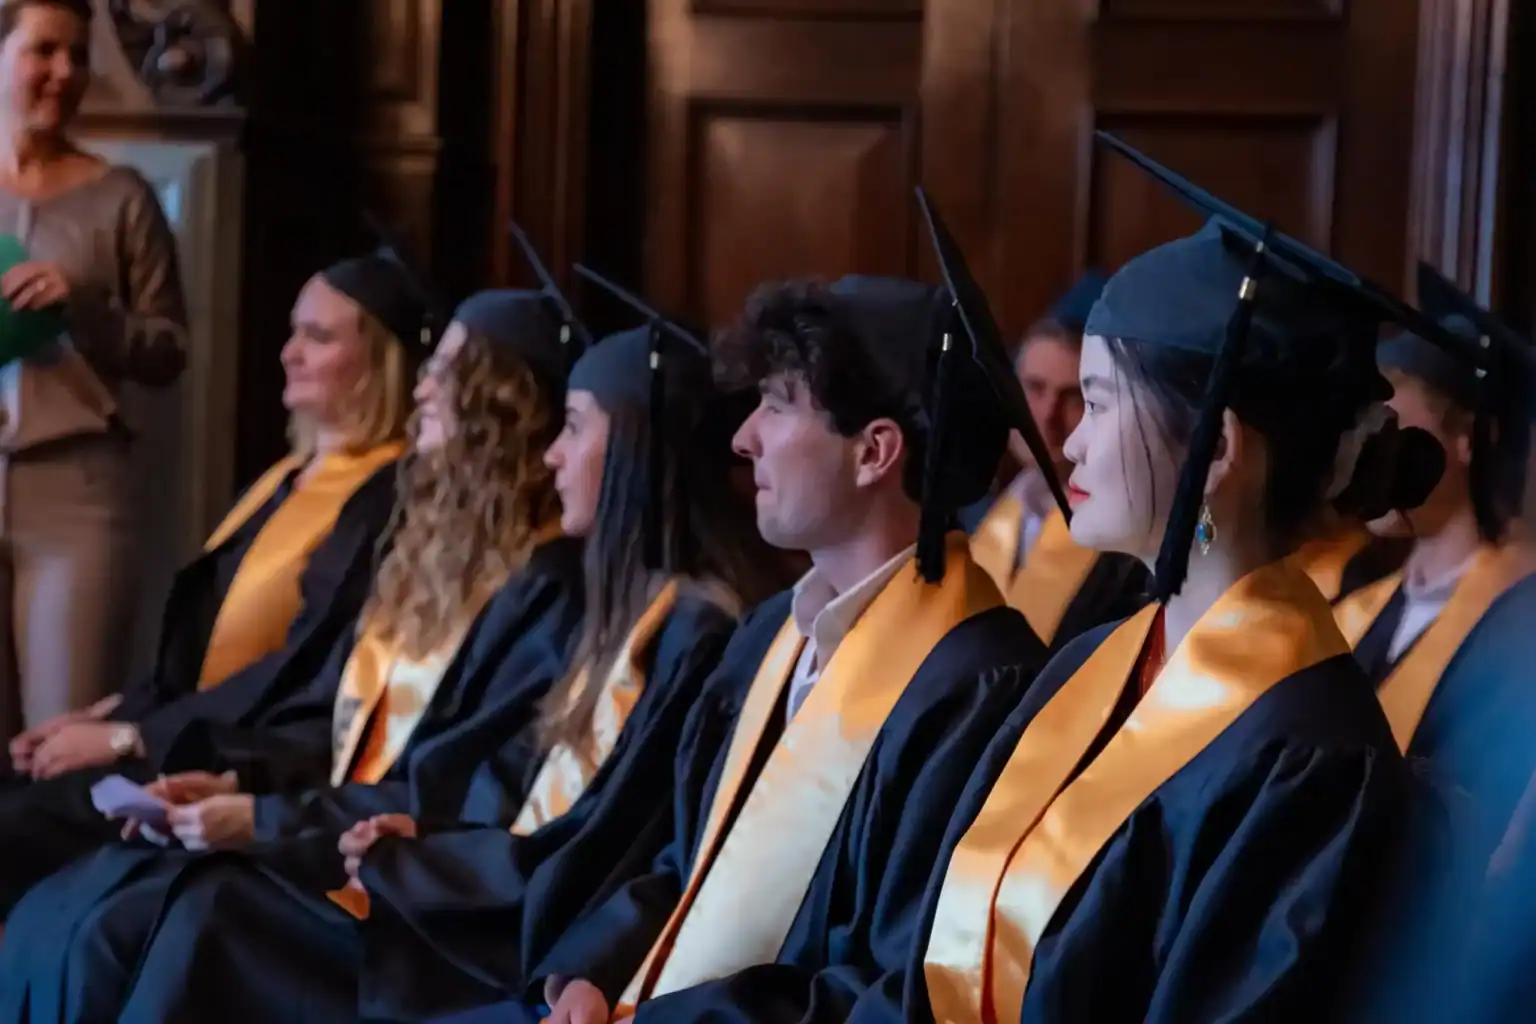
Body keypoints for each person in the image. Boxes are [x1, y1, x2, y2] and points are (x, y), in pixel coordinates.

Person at [77, 275, 788, 1023]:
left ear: (636, 454)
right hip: (475, 890)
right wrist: (420, 833)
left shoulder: (696, 636)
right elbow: (511, 783)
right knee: (161, 900)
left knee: (209, 913)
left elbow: (610, 846)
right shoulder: (629, 610)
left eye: (574, 428)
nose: (552, 455)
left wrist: (422, 855)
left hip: (506, 938)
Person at [898, 136, 1436, 1023]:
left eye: (1100, 403)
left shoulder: (1312, 760)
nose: (1067, 439)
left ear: (1217, 450)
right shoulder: (1092, 664)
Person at [0, 286, 590, 1018]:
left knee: (155, 914)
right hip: (325, 825)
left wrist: (262, 817)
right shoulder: (437, 559)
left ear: (506, 404)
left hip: (402, 883)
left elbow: (451, 790)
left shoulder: (550, 588)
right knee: (83, 899)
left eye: (450, 370)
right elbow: (327, 719)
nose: (426, 387)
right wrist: (232, 792)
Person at [515, 262, 1050, 1024]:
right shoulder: (769, 633)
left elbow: (894, 978)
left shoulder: (975, 688)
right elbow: (692, 864)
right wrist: (595, 974)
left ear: (874, 452)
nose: (742, 439)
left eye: (775, 404)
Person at [0, 252, 421, 912]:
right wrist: (100, 714)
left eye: (319, 336)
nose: (290, 354)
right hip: (178, 730)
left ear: (382, 362)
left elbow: (296, 676)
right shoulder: (288, 476)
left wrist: (126, 737)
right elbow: (196, 650)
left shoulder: (384, 503)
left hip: (228, 760)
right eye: (293, 332)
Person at [0, 0, 191, 738]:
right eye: (44, 50)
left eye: (79, 56)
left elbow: (169, 351)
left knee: (64, 743)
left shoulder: (123, 198)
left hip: (77, 497)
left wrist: (85, 308)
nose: (64, 73)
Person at [968, 273, 1149, 649]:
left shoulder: (1126, 552)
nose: (1047, 415)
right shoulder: (972, 514)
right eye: (1034, 388)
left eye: (1072, 397)